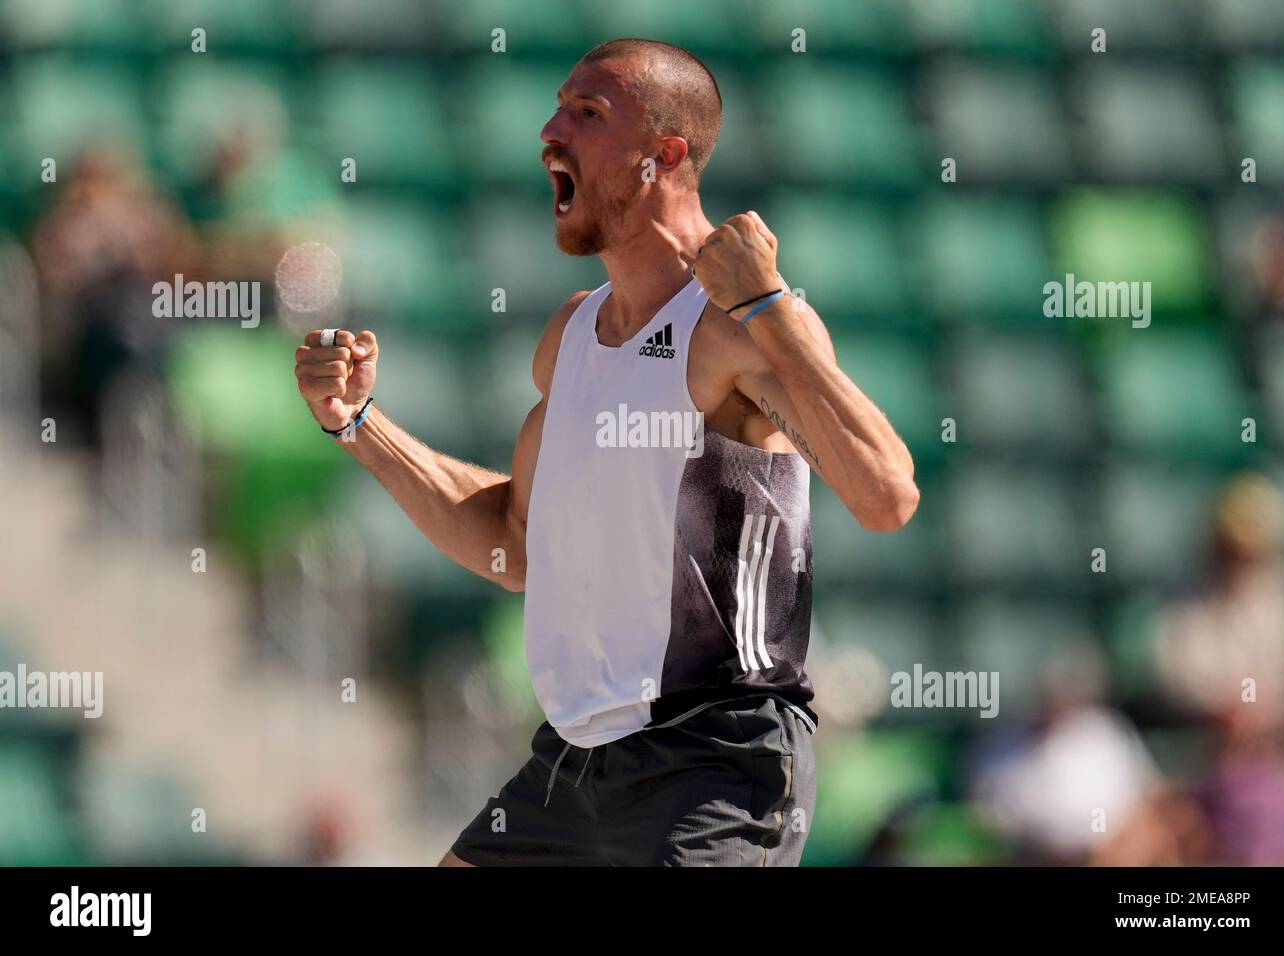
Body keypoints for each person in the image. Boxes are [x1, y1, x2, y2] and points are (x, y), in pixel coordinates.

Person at [293, 39, 918, 866]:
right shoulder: (573, 335)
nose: (551, 130)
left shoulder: (739, 322)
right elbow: (514, 544)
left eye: (587, 114)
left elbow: (887, 496)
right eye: (557, 107)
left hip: (713, 758)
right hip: (573, 763)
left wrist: (769, 304)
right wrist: (359, 423)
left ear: (666, 156)